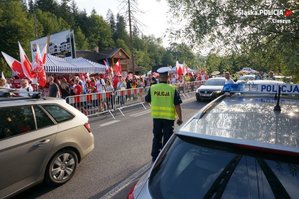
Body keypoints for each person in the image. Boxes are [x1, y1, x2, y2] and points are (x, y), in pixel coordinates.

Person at [145, 66, 183, 163]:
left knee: (157, 137)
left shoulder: (153, 88)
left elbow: (147, 100)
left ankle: (155, 157)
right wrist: (180, 118)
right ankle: (165, 157)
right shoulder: (172, 89)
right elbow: (177, 105)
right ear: (167, 77)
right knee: (167, 138)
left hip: (157, 117)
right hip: (168, 118)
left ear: (159, 77)